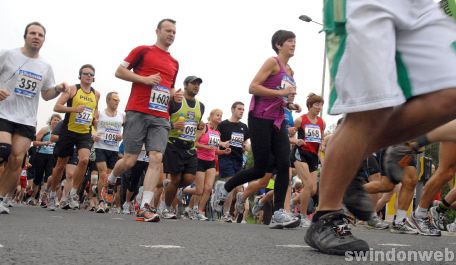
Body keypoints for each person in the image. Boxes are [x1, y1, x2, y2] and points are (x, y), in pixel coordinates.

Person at [305, 0, 456, 255]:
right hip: (368, 3)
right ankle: (326, 216)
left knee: (449, 95)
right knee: (372, 109)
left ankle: (359, 156)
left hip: (422, 6)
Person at [213, 29, 301, 229]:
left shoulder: (291, 71)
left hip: (278, 121)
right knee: (260, 168)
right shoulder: (272, 62)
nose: (293, 44)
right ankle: (225, 186)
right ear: (279, 44)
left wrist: (290, 105)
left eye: (295, 41)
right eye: (289, 41)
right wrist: (281, 92)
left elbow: (283, 97)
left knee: (283, 163)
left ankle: (279, 211)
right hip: (260, 118)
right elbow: (253, 87)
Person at [107, 18, 182, 223]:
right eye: (168, 30)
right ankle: (112, 177)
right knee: (130, 160)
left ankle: (145, 206)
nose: (171, 34)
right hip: (137, 110)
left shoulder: (174, 62)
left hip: (160, 116)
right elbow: (119, 71)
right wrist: (144, 80)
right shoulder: (142, 50)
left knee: (156, 157)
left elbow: (170, 87)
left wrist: (174, 97)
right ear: (157, 31)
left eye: (174, 32)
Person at [0, 22, 68, 214]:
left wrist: (58, 89)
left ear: (44, 40)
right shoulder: (7, 54)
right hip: (3, 112)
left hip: (26, 119)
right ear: (25, 36)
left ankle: (1, 196)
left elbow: (46, 94)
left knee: (16, 159)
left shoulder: (45, 66)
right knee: (3, 150)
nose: (36, 37)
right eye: (32, 33)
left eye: (40, 34)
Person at [47, 64, 100, 210]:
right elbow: (57, 107)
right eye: (86, 73)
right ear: (80, 76)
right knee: (60, 166)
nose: (89, 76)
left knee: (84, 160)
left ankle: (73, 194)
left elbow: (95, 112)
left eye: (91, 74)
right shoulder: (72, 89)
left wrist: (96, 121)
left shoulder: (96, 94)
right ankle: (52, 194)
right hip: (68, 131)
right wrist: (74, 109)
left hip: (84, 133)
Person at [161, 76, 205, 219]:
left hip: (190, 148)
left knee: (188, 179)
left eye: (198, 84)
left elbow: (197, 125)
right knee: (176, 179)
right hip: (174, 144)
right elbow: (161, 121)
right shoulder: (176, 101)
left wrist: (198, 128)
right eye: (193, 83)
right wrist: (173, 125)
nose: (196, 86)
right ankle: (165, 207)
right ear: (185, 85)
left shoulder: (201, 106)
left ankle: (171, 190)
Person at [291, 93, 325, 227]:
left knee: (313, 190)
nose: (319, 107)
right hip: (301, 154)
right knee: (308, 185)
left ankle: (294, 202)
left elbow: (321, 139)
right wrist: (296, 140)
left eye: (321, 105)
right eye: (317, 104)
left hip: (313, 157)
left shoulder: (322, 122)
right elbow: (290, 136)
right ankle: (303, 216)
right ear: (310, 106)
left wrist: (322, 145)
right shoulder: (300, 120)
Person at [213, 101, 250, 222]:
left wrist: (246, 147)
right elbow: (213, 139)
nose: (242, 111)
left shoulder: (244, 127)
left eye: (243, 109)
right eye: (239, 109)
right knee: (231, 184)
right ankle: (226, 214)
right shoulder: (223, 125)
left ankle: (221, 193)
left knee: (239, 188)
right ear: (233, 110)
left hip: (239, 159)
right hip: (226, 157)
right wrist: (222, 143)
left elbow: (246, 143)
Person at [93, 92, 124, 213]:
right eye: (114, 99)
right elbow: (90, 126)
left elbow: (128, 128)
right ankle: (101, 202)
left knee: (109, 178)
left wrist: (121, 136)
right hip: (100, 146)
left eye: (118, 100)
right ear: (108, 100)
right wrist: (93, 136)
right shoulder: (100, 113)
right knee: (103, 173)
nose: (117, 102)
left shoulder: (122, 115)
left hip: (114, 149)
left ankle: (103, 199)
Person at [29, 113, 62, 206]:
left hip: (53, 156)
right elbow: (34, 142)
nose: (56, 121)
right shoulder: (45, 130)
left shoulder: (61, 132)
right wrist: (45, 143)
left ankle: (43, 199)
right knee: (37, 178)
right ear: (50, 121)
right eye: (54, 119)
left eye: (58, 120)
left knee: (49, 178)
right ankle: (32, 197)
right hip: (41, 155)